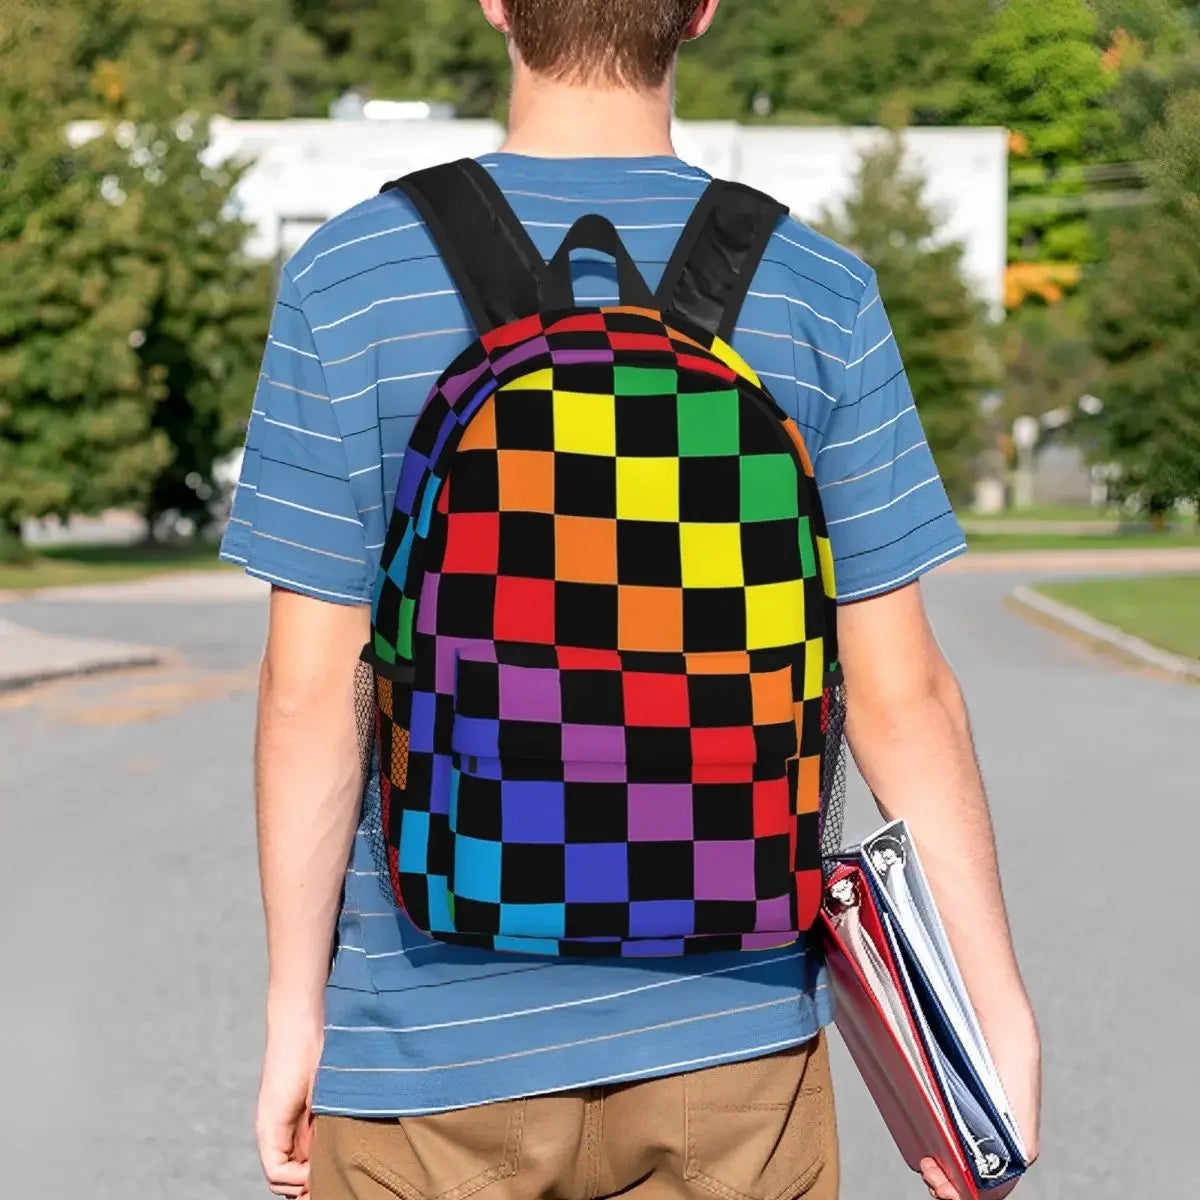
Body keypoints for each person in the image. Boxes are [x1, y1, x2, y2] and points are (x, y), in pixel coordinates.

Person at [221, 2, 1041, 1197]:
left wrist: (299, 1012)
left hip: (429, 1042)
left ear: (497, 2)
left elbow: (309, 691)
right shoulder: (818, 289)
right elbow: (902, 696)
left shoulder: (351, 279)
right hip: (736, 1042)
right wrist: (987, 1013)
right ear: (701, 9)